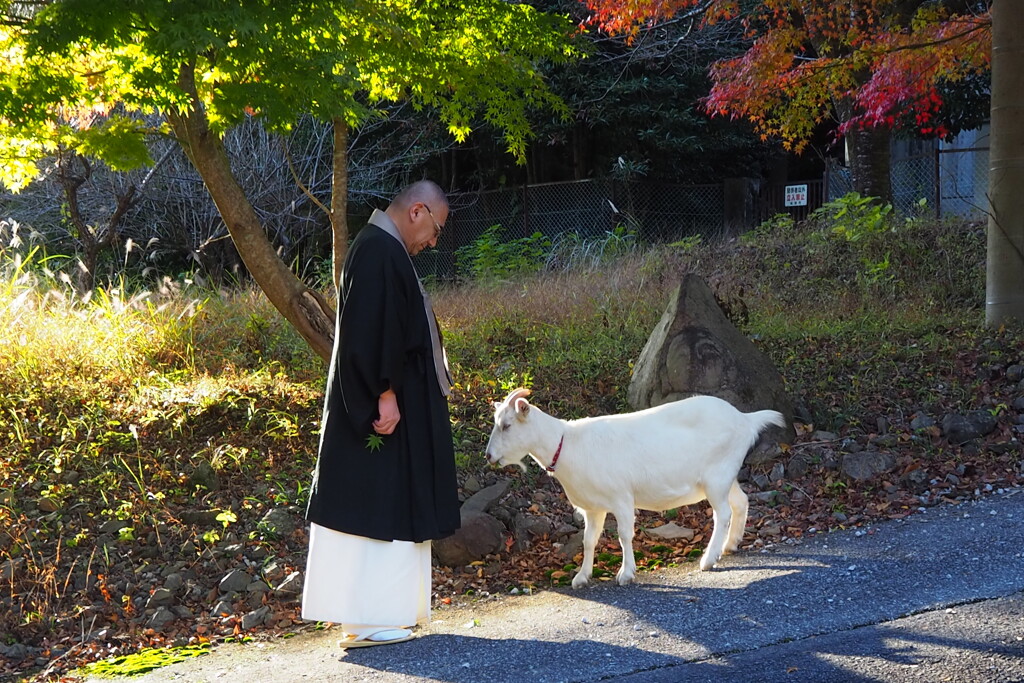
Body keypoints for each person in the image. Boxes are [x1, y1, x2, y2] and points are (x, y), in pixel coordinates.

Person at [302, 180, 460, 648]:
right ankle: (370, 619)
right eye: (435, 230)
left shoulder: (380, 249)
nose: (433, 242)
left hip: (388, 399)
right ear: (417, 211)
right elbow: (372, 330)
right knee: (379, 502)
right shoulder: (378, 252)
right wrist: (386, 392)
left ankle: (370, 616)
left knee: (384, 501)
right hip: (382, 404)